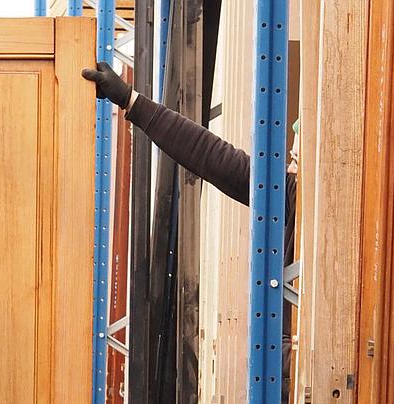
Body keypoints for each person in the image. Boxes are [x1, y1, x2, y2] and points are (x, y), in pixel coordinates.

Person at [82, 62, 297, 261]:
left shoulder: (304, 202)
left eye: (296, 161)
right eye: (292, 160)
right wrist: (129, 100)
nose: (291, 169)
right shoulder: (292, 192)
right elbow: (210, 155)